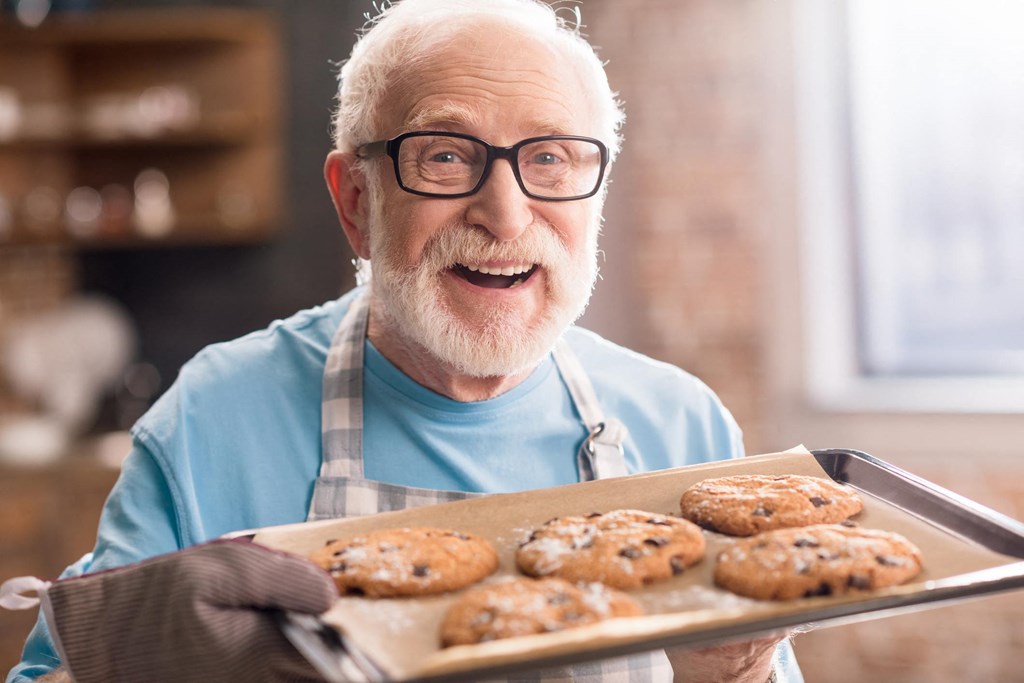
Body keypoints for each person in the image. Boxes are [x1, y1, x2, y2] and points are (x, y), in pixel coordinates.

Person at [7, 0, 802, 681]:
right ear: (357, 199)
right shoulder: (212, 418)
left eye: (551, 157)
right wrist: (151, 659)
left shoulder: (685, 429)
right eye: (446, 155)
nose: (506, 213)